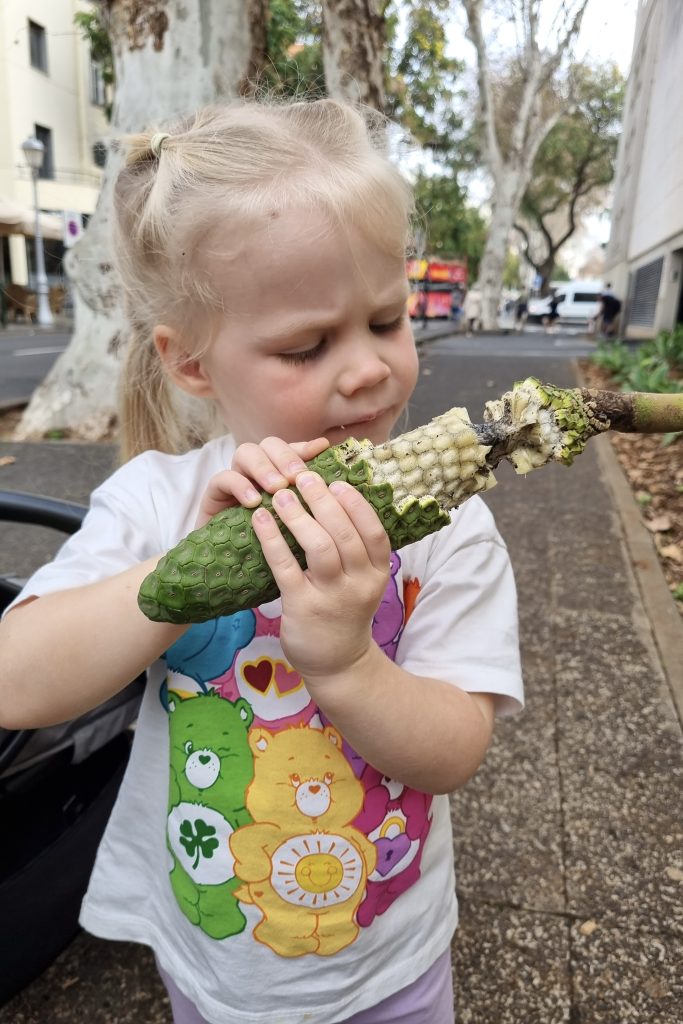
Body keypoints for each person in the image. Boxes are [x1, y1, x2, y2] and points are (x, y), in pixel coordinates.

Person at [0, 99, 523, 1024]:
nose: (365, 369)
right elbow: (17, 683)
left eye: (386, 320)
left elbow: (454, 749)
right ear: (192, 364)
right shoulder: (156, 502)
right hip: (213, 956)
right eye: (306, 345)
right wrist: (189, 569)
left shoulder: (448, 529)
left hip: (386, 964)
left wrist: (347, 663)